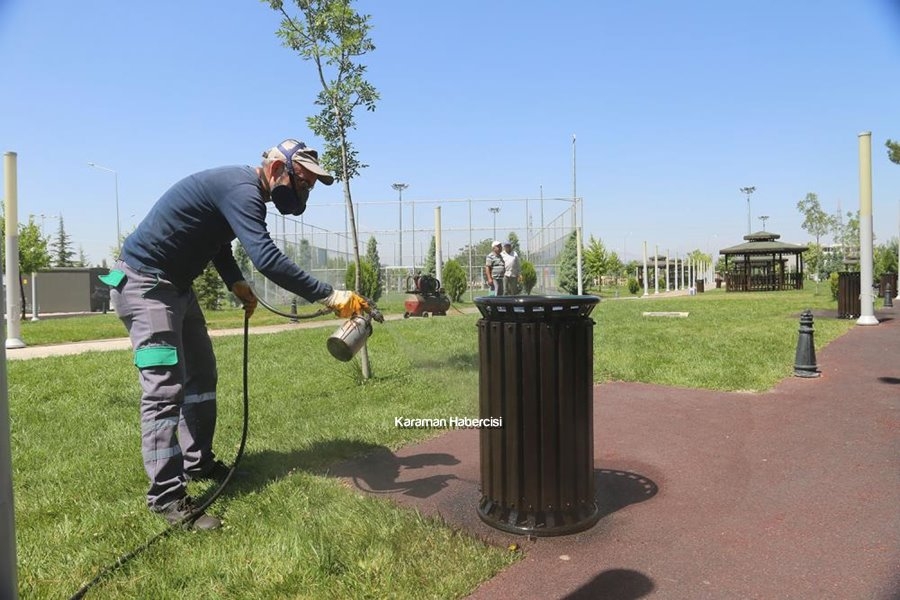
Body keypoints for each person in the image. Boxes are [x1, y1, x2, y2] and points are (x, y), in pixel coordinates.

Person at [99, 139, 371, 530]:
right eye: (303, 182)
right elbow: (268, 258)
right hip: (144, 286)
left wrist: (234, 281)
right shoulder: (244, 190)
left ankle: (198, 462)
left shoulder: (242, 191)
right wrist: (330, 295)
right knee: (164, 391)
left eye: (310, 186)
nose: (304, 191)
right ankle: (166, 499)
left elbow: (218, 241)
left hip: (176, 287)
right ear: (278, 170)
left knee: (202, 375)